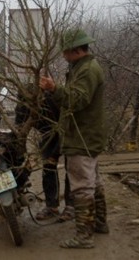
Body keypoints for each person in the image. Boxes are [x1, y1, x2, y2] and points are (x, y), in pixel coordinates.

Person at [39, 29, 109, 249]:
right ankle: (99, 224)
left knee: (82, 187)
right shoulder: (82, 67)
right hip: (87, 134)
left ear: (76, 50)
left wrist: (54, 89)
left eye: (66, 52)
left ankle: (84, 236)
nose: (63, 56)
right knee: (94, 181)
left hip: (82, 136)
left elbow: (77, 100)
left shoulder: (87, 70)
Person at [14, 85, 74, 222]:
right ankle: (51, 207)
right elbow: (20, 131)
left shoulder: (53, 100)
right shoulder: (22, 106)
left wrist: (55, 153)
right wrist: (22, 156)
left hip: (68, 133)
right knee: (48, 168)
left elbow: (65, 127)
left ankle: (71, 205)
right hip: (47, 135)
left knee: (71, 168)